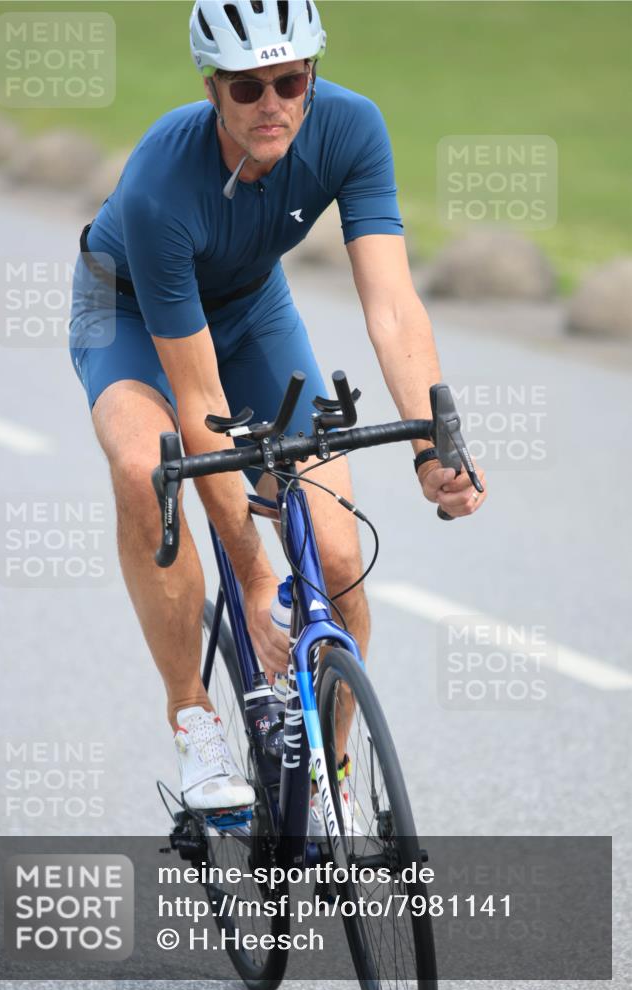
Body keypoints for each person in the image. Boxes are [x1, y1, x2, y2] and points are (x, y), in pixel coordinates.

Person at [69, 0, 487, 836]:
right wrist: (257, 576)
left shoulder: (352, 128)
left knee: (336, 551)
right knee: (147, 465)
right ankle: (194, 720)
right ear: (212, 89)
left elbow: (395, 307)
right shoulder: (160, 185)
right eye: (247, 86)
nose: (272, 103)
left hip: (252, 311)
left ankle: (329, 779)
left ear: (313, 76)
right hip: (128, 320)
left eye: (289, 80)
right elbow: (199, 408)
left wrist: (434, 447)